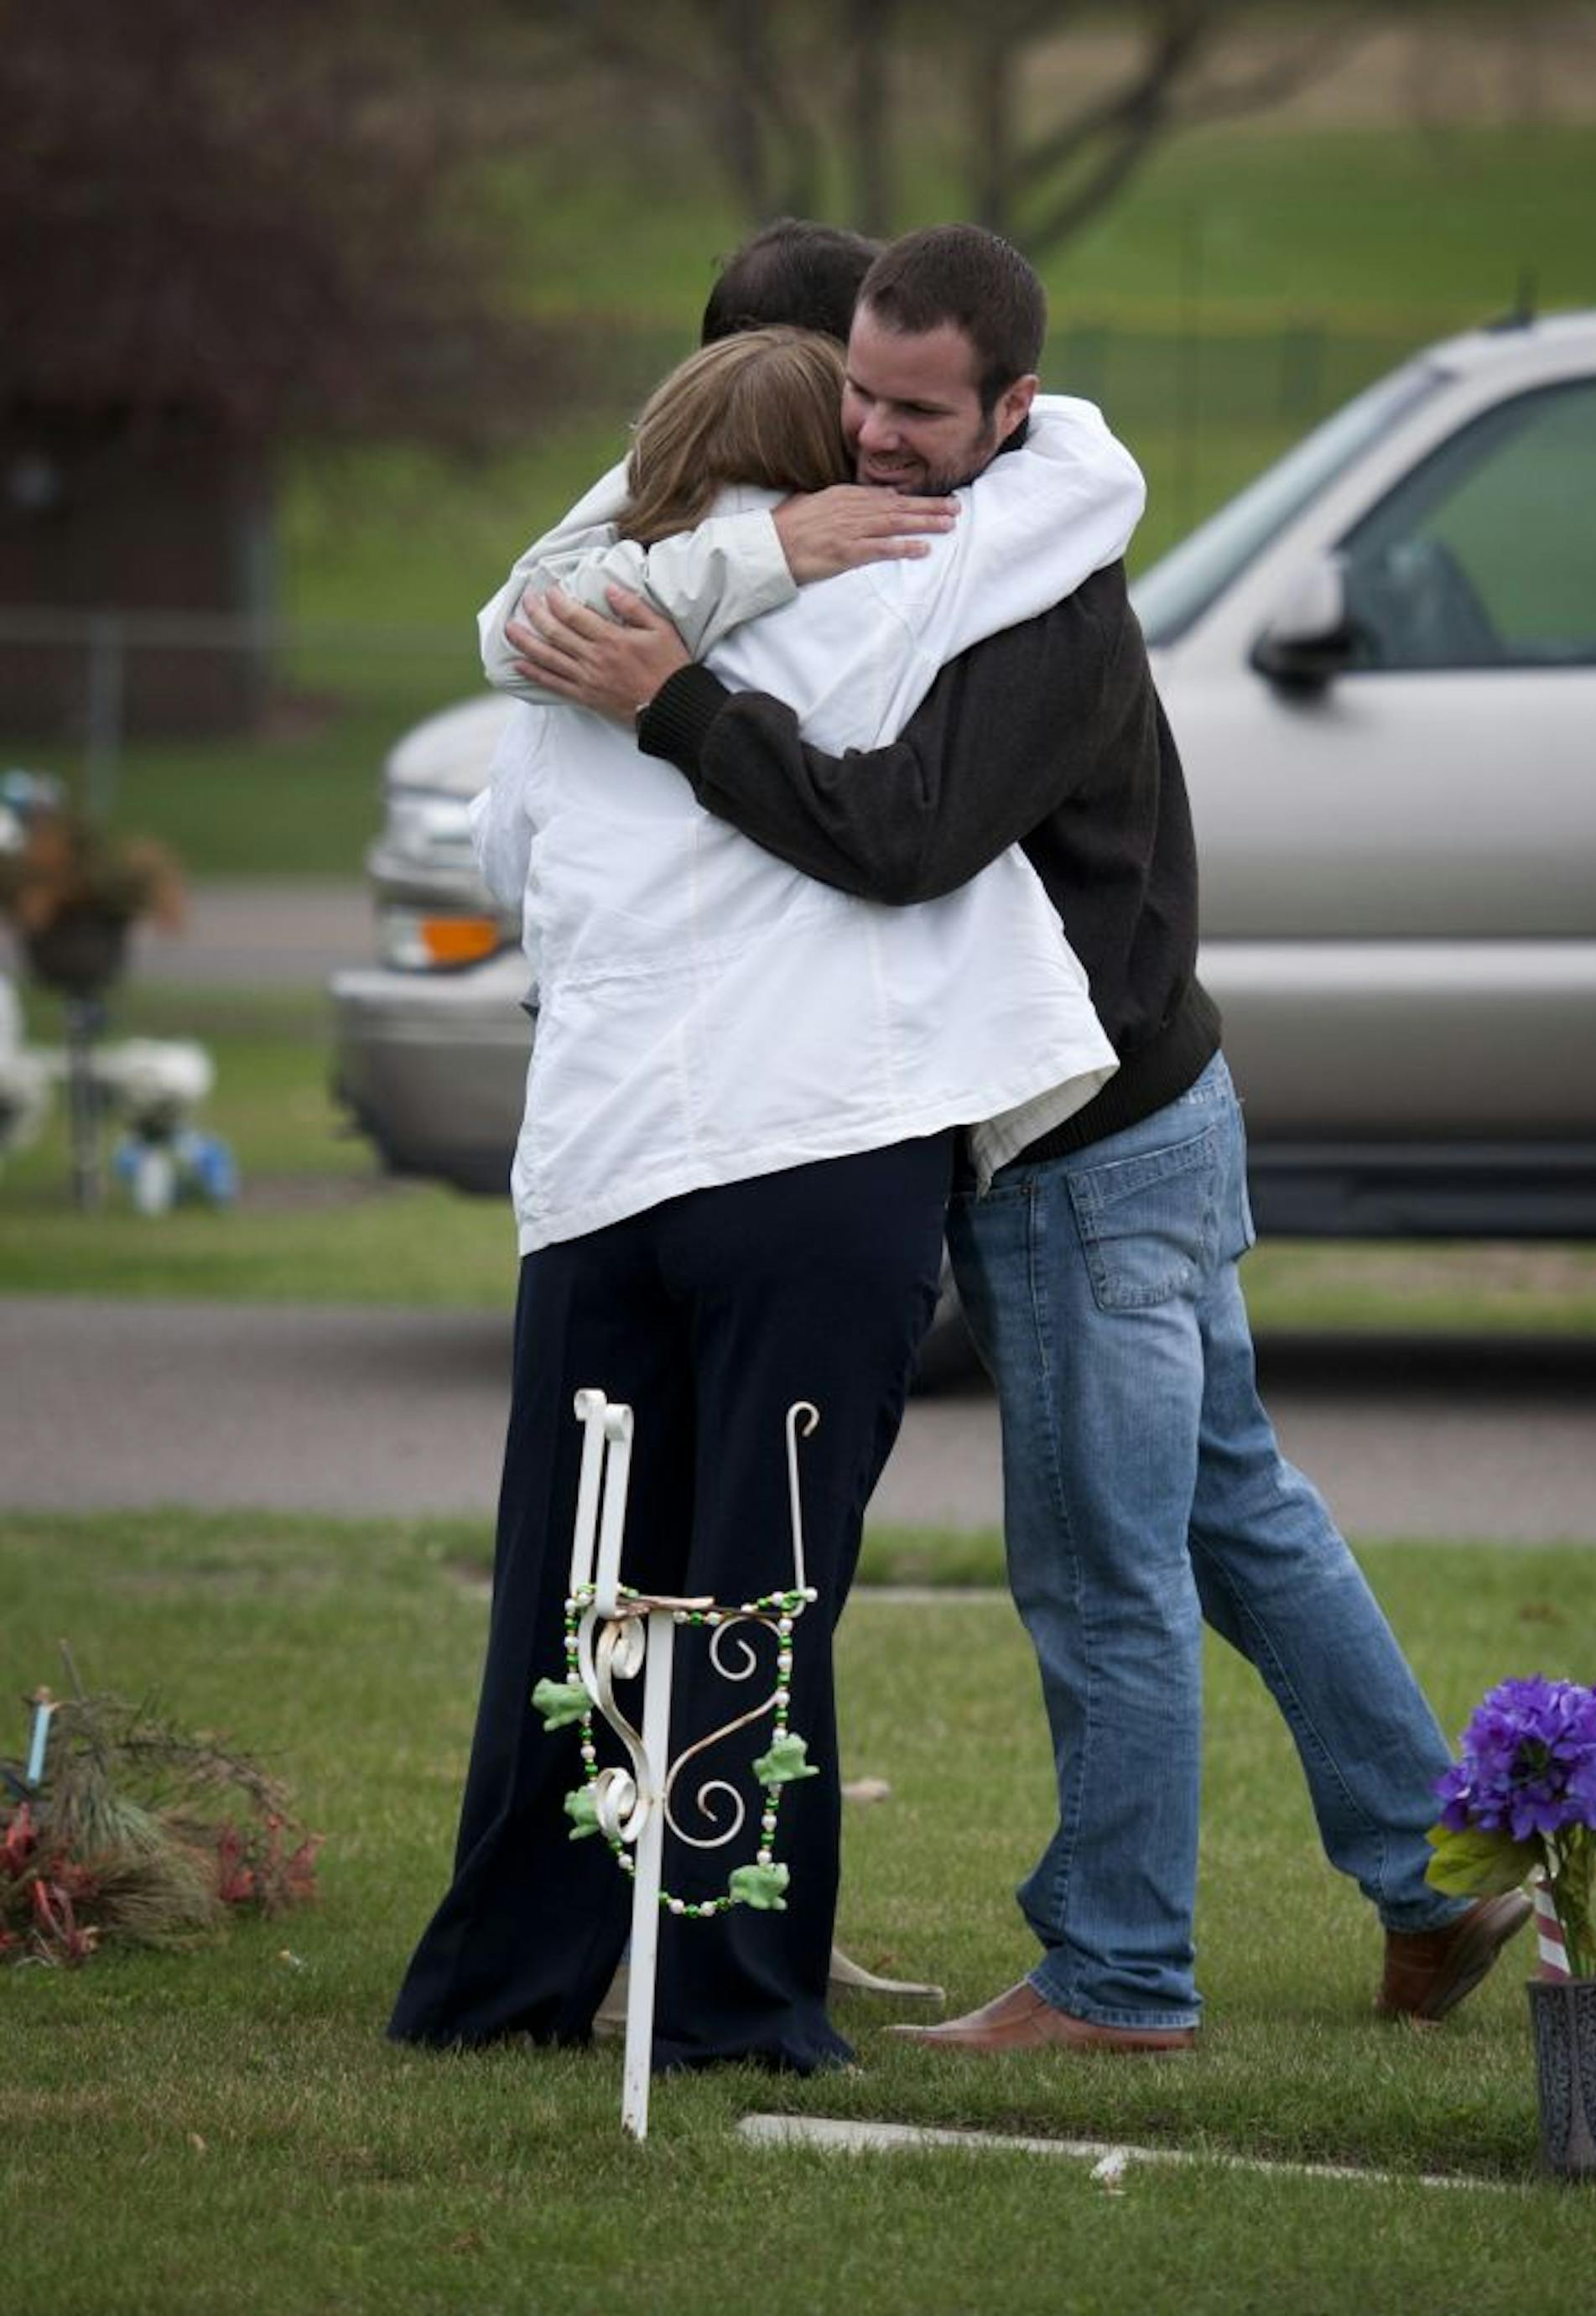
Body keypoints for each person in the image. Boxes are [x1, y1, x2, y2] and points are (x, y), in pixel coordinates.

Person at [507, 221, 1532, 2053]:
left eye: (912, 412)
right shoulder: (933, 551)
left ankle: (1121, 1978)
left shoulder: (1031, 591)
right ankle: (1440, 1870)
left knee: (1101, 1566)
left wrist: (669, 702)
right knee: (1237, 1518)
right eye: (854, 407)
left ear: (1010, 407)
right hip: (1134, 1120)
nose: (877, 445)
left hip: (1087, 1151)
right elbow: (567, 599)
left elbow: (897, 834)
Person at [390, 255, 1146, 2074]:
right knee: (759, 1596)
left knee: (571, 1595)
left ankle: (505, 1982)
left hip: (596, 1171)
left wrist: (700, 542)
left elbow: (505, 763)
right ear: (836, 449)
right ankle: (728, 2000)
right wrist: (836, 517)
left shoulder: (577, 636)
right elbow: (1092, 472)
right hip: (818, 1166)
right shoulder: (937, 579)